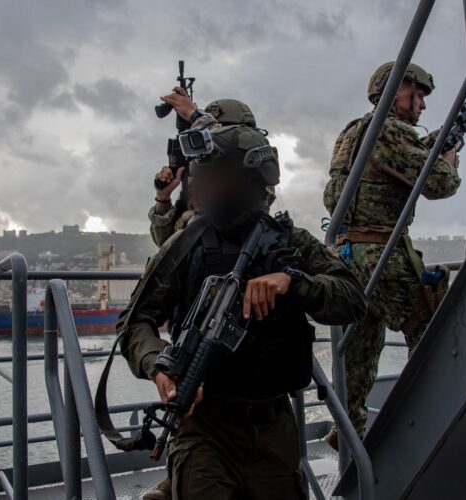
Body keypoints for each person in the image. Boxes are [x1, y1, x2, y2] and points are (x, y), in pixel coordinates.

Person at [121, 88, 367, 499]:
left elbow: (352, 299)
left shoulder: (290, 241)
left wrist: (293, 283)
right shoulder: (186, 244)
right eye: (203, 179)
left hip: (273, 425)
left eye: (217, 179)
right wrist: (159, 367)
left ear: (249, 180)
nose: (205, 190)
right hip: (205, 425)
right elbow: (135, 323)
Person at [322, 62, 462, 446]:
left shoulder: (355, 131)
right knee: (428, 334)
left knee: (359, 349)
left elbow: (391, 166)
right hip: (380, 255)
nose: (422, 105)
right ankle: (425, 428)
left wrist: (433, 143)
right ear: (395, 91)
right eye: (417, 95)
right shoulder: (390, 130)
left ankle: (346, 432)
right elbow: (439, 184)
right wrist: (448, 157)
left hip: (347, 255)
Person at [149, 99, 259, 247]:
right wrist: (163, 199)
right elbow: (165, 243)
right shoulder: (200, 179)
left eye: (220, 131)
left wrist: (195, 116)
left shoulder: (255, 165)